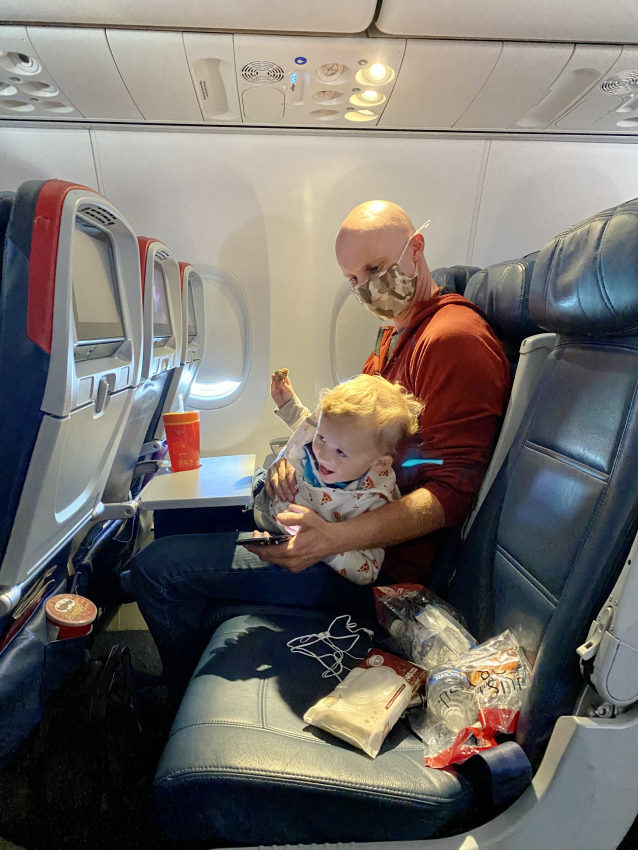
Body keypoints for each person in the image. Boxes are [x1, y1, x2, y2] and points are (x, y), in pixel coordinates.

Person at [130, 199, 510, 701]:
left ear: (416, 249)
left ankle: (174, 700)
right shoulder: (394, 338)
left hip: (373, 574)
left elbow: (453, 493)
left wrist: (330, 540)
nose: (366, 288)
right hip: (336, 523)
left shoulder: (452, 340)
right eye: (353, 279)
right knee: (183, 539)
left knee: (157, 568)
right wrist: (300, 466)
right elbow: (351, 439)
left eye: (375, 269)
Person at [254, 373, 423, 584]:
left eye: (341, 453)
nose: (322, 455)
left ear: (379, 463)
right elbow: (309, 428)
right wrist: (288, 405)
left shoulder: (372, 501)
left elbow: (367, 570)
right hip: (263, 495)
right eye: (321, 438)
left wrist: (326, 548)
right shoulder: (336, 443)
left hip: (282, 535)